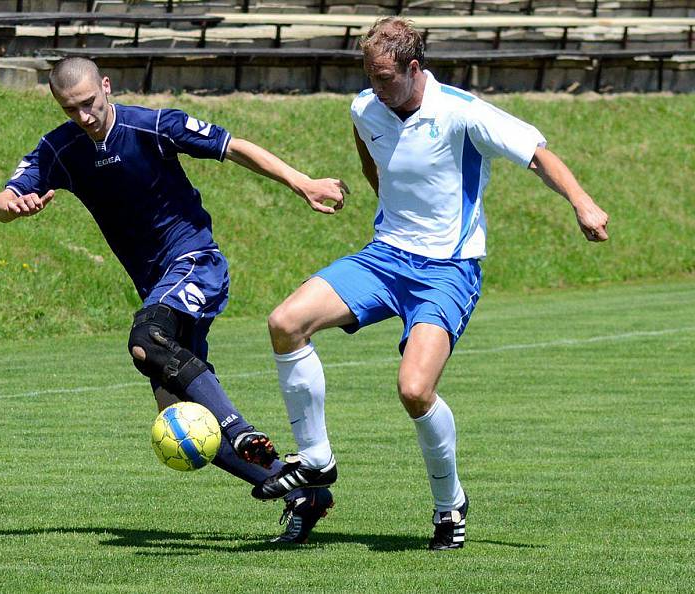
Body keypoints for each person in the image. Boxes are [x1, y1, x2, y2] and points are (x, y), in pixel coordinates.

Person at [256, 17, 610, 550]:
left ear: (413, 68)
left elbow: (538, 154)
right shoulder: (365, 108)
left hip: (448, 268)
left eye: (384, 77)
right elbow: (372, 152)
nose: (374, 88)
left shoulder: (461, 113)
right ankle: (316, 461)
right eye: (369, 76)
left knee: (415, 390)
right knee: (285, 323)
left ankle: (449, 506)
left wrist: (582, 203)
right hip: (385, 257)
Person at [0, 57, 346, 544]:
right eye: (71, 109)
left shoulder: (153, 125)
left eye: (90, 103)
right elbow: (1, 202)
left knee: (146, 340)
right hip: (157, 287)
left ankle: (238, 426)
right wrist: (13, 206)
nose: (85, 117)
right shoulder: (60, 148)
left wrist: (301, 181)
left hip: (195, 261)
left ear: (107, 87)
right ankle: (296, 490)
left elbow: (233, 147)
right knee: (178, 419)